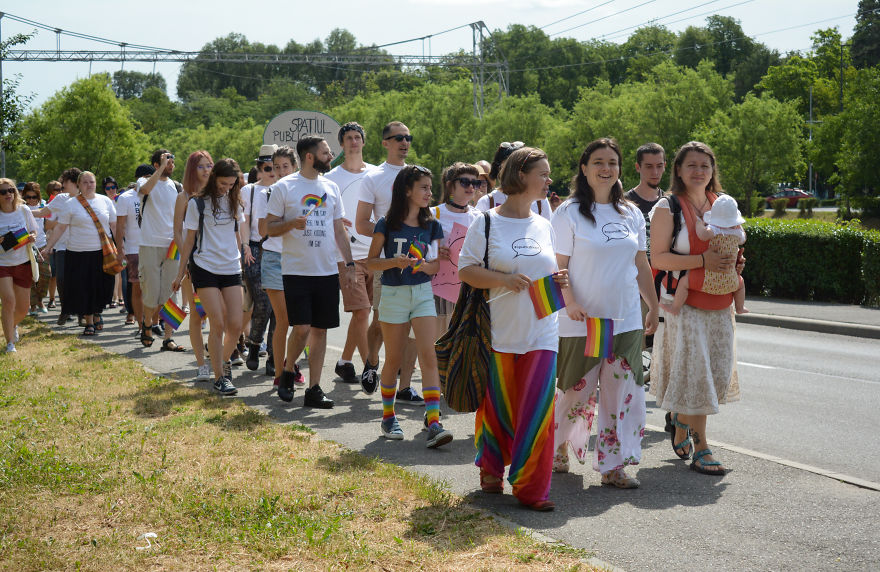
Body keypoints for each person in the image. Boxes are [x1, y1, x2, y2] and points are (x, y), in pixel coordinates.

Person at [458, 147, 566, 511]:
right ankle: (491, 469)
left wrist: (556, 281)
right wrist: (504, 279)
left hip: (543, 332)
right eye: (543, 174)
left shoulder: (544, 223)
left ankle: (531, 488)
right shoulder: (486, 222)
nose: (549, 181)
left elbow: (544, 272)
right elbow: (466, 270)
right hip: (499, 333)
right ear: (521, 175)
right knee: (498, 408)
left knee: (537, 411)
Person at [550, 139, 660, 489]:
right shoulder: (568, 212)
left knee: (623, 391)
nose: (606, 168)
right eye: (598, 161)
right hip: (582, 320)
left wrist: (653, 306)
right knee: (574, 392)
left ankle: (614, 465)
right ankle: (555, 447)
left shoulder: (630, 213)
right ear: (584, 168)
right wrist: (568, 302)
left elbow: (640, 261)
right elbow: (559, 266)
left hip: (623, 318)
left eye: (612, 162)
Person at [649, 141, 742, 476]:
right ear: (678, 170)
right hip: (683, 303)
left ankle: (680, 417)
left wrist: (735, 263)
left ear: (712, 169)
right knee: (698, 373)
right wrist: (702, 259)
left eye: (705, 165)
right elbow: (658, 258)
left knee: (715, 371)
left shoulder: (723, 205)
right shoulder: (667, 208)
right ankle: (702, 447)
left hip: (719, 301)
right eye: (692, 165)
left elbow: (733, 242)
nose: (699, 171)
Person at [266, 136, 357, 408]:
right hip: (296, 271)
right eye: (327, 153)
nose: (331, 157)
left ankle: (314, 389)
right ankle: (287, 370)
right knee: (302, 328)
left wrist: (349, 264)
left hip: (327, 271)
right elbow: (268, 228)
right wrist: (291, 223)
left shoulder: (330, 187)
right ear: (309, 156)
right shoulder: (285, 187)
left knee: (320, 330)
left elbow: (339, 229)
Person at [366, 164, 452, 447]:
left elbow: (437, 264)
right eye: (423, 187)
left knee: (429, 355)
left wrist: (427, 266)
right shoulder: (386, 223)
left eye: (430, 187)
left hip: (423, 294)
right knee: (394, 359)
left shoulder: (433, 225)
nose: (429, 193)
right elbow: (371, 263)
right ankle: (388, 417)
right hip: (393, 294)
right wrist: (395, 261)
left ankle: (434, 421)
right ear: (407, 190)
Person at [355, 121, 420, 402]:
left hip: (415, 263)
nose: (404, 143)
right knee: (382, 321)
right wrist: (389, 238)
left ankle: (404, 385)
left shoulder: (417, 174)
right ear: (385, 143)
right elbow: (360, 223)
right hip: (387, 262)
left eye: (408, 137)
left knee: (413, 324)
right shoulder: (373, 177)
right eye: (398, 138)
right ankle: (371, 361)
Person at [172, 158, 246, 396]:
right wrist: (181, 269)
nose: (227, 188)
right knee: (218, 322)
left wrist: (244, 254)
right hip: (205, 267)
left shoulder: (236, 201)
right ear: (214, 178)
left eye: (232, 184)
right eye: (224, 183)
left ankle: (221, 362)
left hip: (231, 267)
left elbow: (238, 235)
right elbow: (190, 239)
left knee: (236, 324)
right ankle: (219, 377)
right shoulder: (198, 204)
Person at [324, 122, 375, 384]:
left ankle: (345, 361)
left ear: (364, 142)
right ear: (341, 145)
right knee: (362, 312)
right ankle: (370, 369)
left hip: (377, 254)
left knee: (366, 314)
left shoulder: (377, 174)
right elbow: (319, 215)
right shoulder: (330, 179)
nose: (354, 142)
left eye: (357, 137)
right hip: (347, 257)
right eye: (348, 138)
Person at [40, 172, 116, 336]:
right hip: (78, 253)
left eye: (92, 182)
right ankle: (89, 321)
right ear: (79, 185)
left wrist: (122, 247)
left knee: (102, 286)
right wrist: (49, 246)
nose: (89, 185)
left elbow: (114, 226)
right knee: (84, 287)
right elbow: (60, 227)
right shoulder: (71, 204)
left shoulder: (105, 201)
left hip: (102, 252)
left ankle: (97, 312)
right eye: (85, 182)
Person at [662, 194, 748, 316]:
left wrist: (699, 225)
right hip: (730, 279)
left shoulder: (715, 229)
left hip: (707, 278)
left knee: (684, 282)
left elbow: (703, 235)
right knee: (741, 283)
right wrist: (738, 227)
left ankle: (675, 307)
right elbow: (743, 239)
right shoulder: (738, 233)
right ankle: (740, 307)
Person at [173, 151, 214, 381]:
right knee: (198, 314)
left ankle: (216, 350)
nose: (206, 170)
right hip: (193, 262)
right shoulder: (184, 197)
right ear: (192, 170)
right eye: (201, 167)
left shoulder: (218, 193)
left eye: (209, 165)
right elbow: (177, 230)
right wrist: (186, 258)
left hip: (219, 261)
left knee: (222, 314)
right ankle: (201, 364)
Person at [138, 149, 183, 351]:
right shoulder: (144, 181)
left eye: (172, 161)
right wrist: (161, 169)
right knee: (151, 290)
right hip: (149, 243)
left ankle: (168, 338)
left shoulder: (177, 187)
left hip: (172, 245)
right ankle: (147, 324)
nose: (171, 165)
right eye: (166, 161)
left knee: (171, 292)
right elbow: (146, 190)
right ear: (156, 165)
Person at [625, 143, 666, 352]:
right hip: (635, 289)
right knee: (635, 353)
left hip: (667, 287)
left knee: (663, 352)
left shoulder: (670, 203)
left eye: (659, 166)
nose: (655, 172)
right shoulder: (624, 204)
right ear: (637, 167)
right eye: (649, 166)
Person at [240, 144, 277, 372]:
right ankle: (254, 343)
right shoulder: (249, 191)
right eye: (266, 167)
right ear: (259, 169)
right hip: (255, 248)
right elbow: (243, 221)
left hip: (281, 249)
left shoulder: (286, 188)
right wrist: (244, 245)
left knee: (279, 308)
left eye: (276, 166)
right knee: (263, 303)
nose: (271, 171)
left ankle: (273, 355)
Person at [433, 162, 482, 333]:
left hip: (470, 291)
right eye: (464, 182)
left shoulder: (480, 217)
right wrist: (434, 252)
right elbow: (415, 252)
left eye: (475, 183)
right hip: (439, 292)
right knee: (436, 345)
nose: (471, 187)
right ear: (449, 185)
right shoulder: (433, 214)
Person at [0, 179, 38, 352]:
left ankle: (11, 325)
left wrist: (32, 237)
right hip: (2, 264)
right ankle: (10, 344)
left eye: (11, 191)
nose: (8, 194)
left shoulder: (24, 210)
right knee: (8, 300)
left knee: (22, 309)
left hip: (23, 262)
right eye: (3, 192)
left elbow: (33, 230)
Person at [476, 141, 552, 219]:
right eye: (509, 166)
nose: (512, 171)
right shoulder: (487, 202)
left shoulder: (540, 201)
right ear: (499, 167)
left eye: (520, 166)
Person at [116, 165, 151, 331]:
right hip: (134, 249)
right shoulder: (126, 198)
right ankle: (141, 326)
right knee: (137, 288)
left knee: (155, 290)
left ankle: (155, 322)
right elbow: (120, 226)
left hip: (156, 247)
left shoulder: (157, 195)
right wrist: (119, 249)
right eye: (145, 176)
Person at [22, 182, 50, 315]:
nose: (31, 200)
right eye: (28, 197)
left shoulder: (44, 205)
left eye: (34, 197)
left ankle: (40, 299)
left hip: (42, 244)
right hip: (26, 246)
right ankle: (33, 305)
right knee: (31, 276)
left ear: (38, 196)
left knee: (46, 274)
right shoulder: (21, 208)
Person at [102, 176, 123, 307]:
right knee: (114, 268)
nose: (111, 190)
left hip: (121, 236)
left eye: (113, 187)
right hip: (108, 239)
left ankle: (121, 296)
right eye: (108, 188)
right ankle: (114, 297)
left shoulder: (121, 199)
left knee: (122, 268)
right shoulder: (102, 202)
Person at [43, 180, 62, 309]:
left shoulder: (66, 203)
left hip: (65, 244)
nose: (60, 191)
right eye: (57, 189)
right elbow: (47, 226)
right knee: (53, 274)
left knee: (62, 275)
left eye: (61, 188)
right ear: (50, 192)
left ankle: (64, 301)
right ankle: (51, 299)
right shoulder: (48, 206)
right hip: (51, 243)